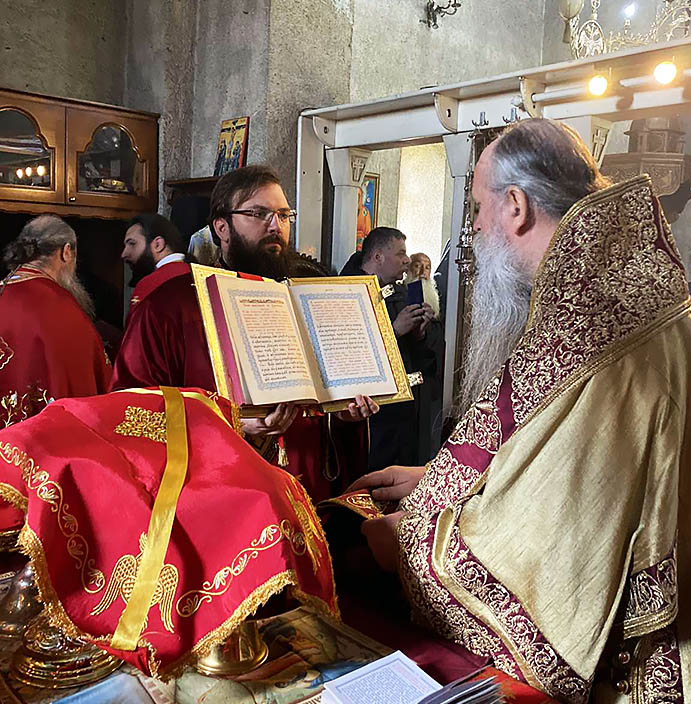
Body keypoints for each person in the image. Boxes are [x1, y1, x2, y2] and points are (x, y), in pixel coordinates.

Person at [355, 119, 691, 704]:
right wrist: (436, 477)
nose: (475, 228)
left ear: (516, 206)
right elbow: (547, 454)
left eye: (478, 209)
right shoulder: (624, 287)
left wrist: (406, 546)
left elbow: (554, 551)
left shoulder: (584, 326)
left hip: (628, 673)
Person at [208, 166, 376, 500]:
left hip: (307, 478)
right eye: (259, 214)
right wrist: (232, 424)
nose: (276, 226)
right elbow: (156, 410)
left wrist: (344, 413)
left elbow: (329, 392)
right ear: (222, 227)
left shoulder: (310, 292)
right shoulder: (186, 305)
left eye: (284, 215)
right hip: (228, 486)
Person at [0, 214, 111, 427]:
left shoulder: (4, 290)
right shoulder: (62, 307)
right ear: (66, 252)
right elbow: (89, 381)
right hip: (40, 439)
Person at [347, 227, 443, 471]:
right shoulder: (346, 291)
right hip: (370, 418)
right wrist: (395, 330)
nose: (407, 260)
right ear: (378, 257)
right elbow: (348, 356)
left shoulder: (404, 292)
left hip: (406, 417)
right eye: (401, 253)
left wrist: (420, 335)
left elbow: (422, 359)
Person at [111, 214, 212, 390]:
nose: (124, 254)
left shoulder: (152, 285)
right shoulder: (205, 276)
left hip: (168, 392)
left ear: (158, 244)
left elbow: (135, 358)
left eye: (132, 244)